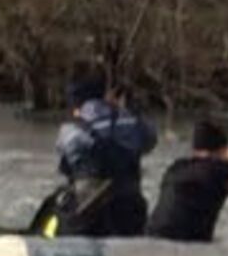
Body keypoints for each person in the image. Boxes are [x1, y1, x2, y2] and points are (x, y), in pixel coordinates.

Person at [31, 75, 158, 238]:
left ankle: (40, 240)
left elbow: (65, 165)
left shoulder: (70, 130)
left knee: (53, 209)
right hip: (131, 208)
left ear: (76, 104)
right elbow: (150, 141)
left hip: (87, 212)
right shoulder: (131, 122)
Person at [146, 120, 228, 242]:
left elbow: (213, 159)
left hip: (151, 234)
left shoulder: (175, 168)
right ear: (223, 148)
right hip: (187, 242)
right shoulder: (221, 170)